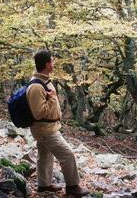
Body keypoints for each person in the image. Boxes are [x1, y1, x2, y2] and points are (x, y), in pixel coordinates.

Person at [26, 50, 89, 196]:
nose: (53, 64)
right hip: (45, 130)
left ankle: (43, 185)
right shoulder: (36, 86)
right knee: (68, 155)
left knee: (45, 155)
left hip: (47, 128)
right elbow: (38, 112)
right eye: (52, 61)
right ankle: (73, 187)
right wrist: (53, 98)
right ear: (48, 64)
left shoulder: (43, 81)